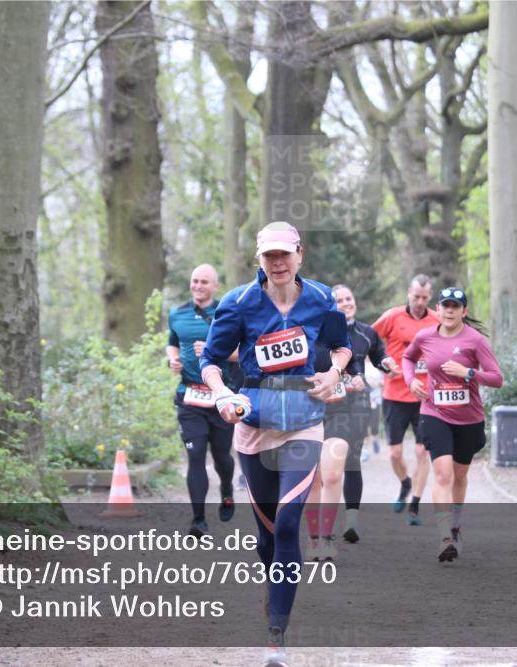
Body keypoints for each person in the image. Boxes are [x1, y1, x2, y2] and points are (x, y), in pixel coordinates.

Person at [199, 221, 352, 667]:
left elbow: (341, 348)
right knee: (267, 539)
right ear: (259, 260)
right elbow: (210, 360)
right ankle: (274, 589)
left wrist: (333, 373)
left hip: (305, 421)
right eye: (270, 256)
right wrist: (224, 393)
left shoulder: (322, 299)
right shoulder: (238, 303)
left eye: (286, 254)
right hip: (254, 426)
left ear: (300, 254)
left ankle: (276, 636)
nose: (279, 262)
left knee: (288, 525)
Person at [402, 287, 503, 561]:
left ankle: (456, 524)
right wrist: (411, 381)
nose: (449, 310)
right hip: (435, 413)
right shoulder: (425, 337)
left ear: (464, 311)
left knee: (459, 477)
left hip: (468, 419)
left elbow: (496, 378)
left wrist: (468, 372)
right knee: (443, 474)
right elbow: (408, 358)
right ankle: (445, 536)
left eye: (455, 306)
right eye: (445, 305)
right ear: (438, 309)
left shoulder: (475, 340)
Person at [305, 284, 388, 559]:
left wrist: (353, 380)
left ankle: (327, 537)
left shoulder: (349, 336)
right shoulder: (303, 333)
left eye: (346, 300)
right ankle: (314, 537)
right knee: (313, 476)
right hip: (307, 411)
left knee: (331, 472)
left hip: (342, 409)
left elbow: (357, 367)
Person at [165, 264, 239, 538]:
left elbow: (243, 351)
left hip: (221, 395)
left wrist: (212, 350)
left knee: (222, 457)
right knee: (195, 455)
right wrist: (172, 358)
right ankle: (198, 521)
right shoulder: (177, 314)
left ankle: (227, 489)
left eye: (204, 282)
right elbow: (172, 341)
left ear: (215, 286)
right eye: (194, 280)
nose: (198, 286)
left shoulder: (227, 313)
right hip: (189, 396)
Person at [372, 274, 439, 526]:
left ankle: (415, 506)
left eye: (424, 297)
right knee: (394, 454)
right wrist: (381, 364)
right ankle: (405, 483)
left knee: (423, 452)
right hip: (395, 395)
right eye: (416, 296)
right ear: (408, 293)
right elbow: (368, 340)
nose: (420, 301)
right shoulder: (392, 317)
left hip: (425, 396)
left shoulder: (436, 320)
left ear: (429, 297)